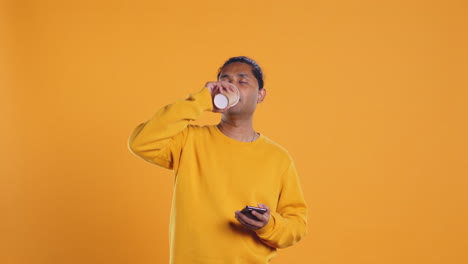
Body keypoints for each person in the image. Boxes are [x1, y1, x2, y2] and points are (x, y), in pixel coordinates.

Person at [128, 56, 307, 263]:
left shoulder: (278, 158)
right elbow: (140, 142)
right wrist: (201, 100)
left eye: (242, 81)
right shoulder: (189, 140)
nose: (232, 86)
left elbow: (297, 225)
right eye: (226, 81)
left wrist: (268, 225)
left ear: (260, 95)